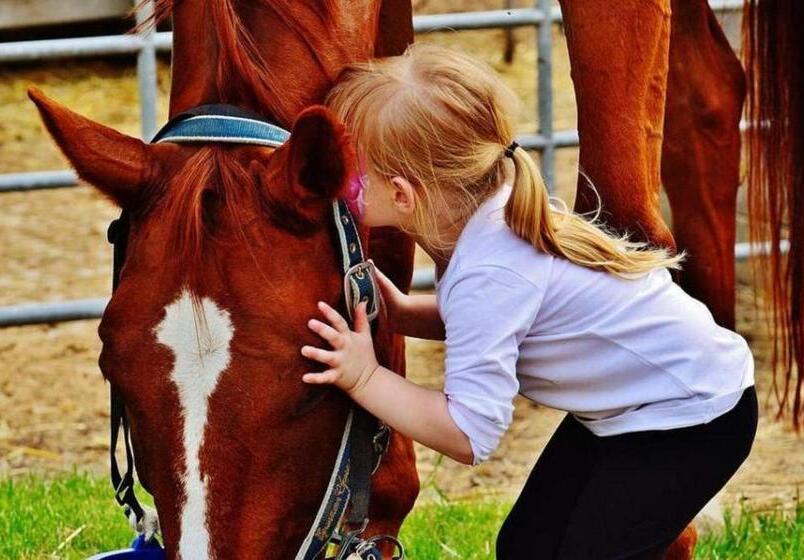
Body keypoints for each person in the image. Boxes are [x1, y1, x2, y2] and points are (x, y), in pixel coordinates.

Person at [299, 44, 757, 559]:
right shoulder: (490, 219)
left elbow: (469, 433)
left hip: (693, 419)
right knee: (526, 547)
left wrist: (365, 378)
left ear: (404, 194)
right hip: (646, 407)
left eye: (347, 177)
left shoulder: (490, 269)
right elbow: (502, 322)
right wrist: (405, 313)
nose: (337, 190)